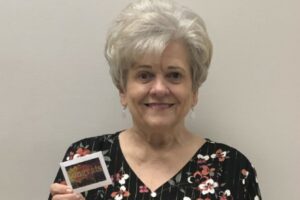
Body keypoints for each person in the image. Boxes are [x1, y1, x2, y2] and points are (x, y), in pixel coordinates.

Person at [49, 0, 262, 199]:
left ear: (194, 90)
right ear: (122, 89)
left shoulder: (232, 169)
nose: (159, 89)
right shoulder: (88, 159)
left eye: (174, 75)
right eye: (144, 75)